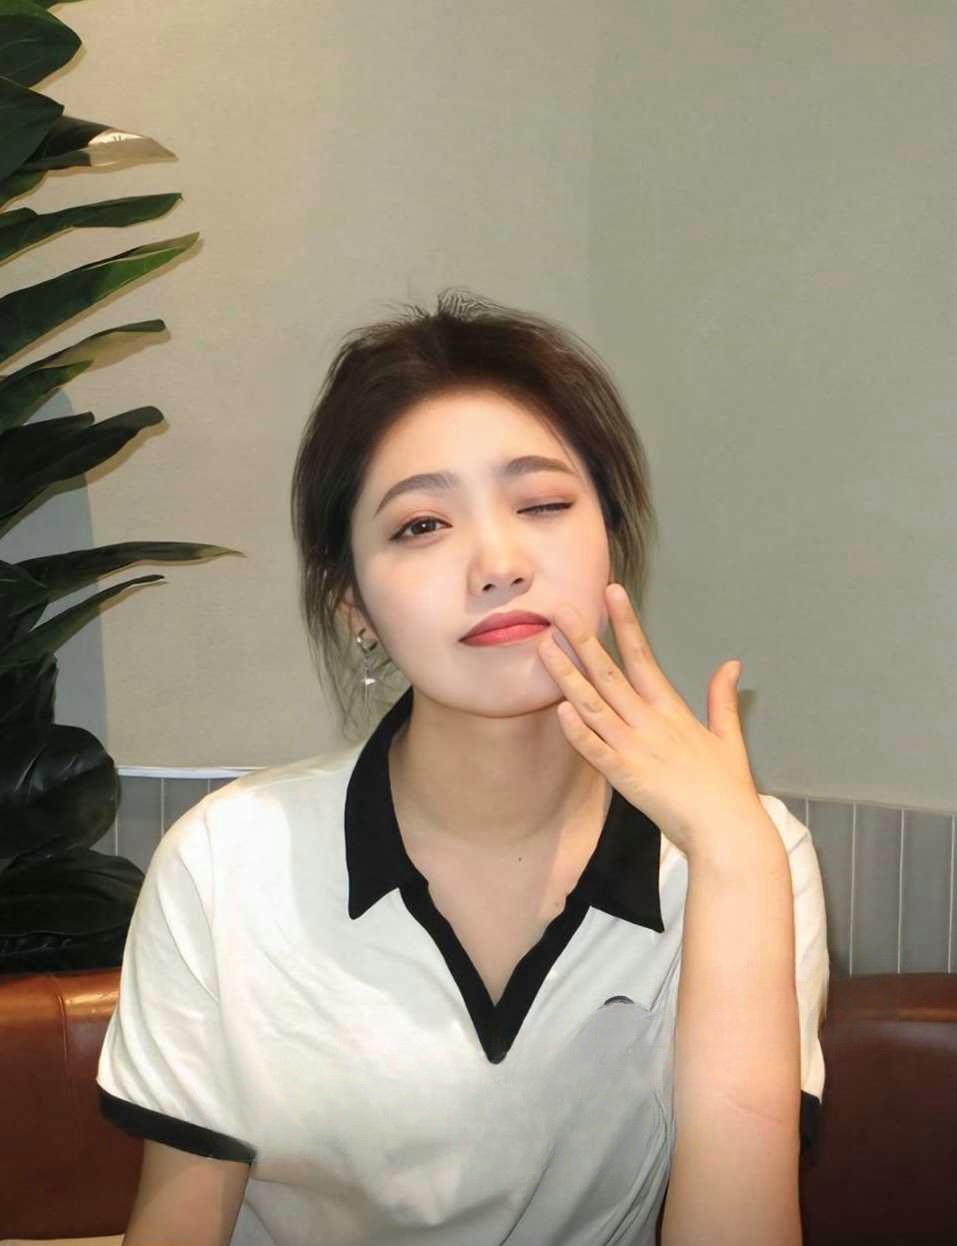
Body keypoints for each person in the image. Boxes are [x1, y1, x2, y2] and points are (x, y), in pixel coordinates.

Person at [96, 289, 829, 1245]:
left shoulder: (747, 851)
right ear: (353, 604)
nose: (496, 563)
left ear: (609, 540)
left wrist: (734, 858)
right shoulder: (225, 861)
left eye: (542, 504)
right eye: (420, 526)